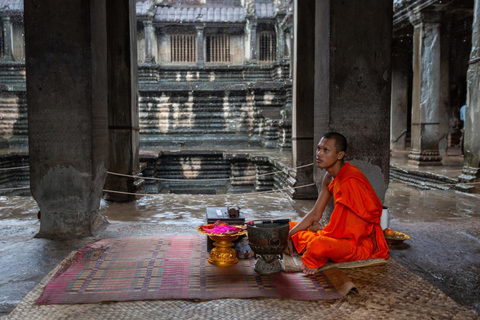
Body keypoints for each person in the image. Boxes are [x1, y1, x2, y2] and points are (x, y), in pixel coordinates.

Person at [284, 132, 389, 275]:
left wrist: (324, 232)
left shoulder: (350, 180)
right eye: (318, 148)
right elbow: (315, 213)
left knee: (317, 245)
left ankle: (314, 254)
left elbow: (356, 230)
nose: (319, 154)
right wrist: (288, 235)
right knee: (287, 227)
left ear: (339, 155)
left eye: (326, 150)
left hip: (357, 243)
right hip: (338, 237)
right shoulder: (329, 177)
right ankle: (306, 238)